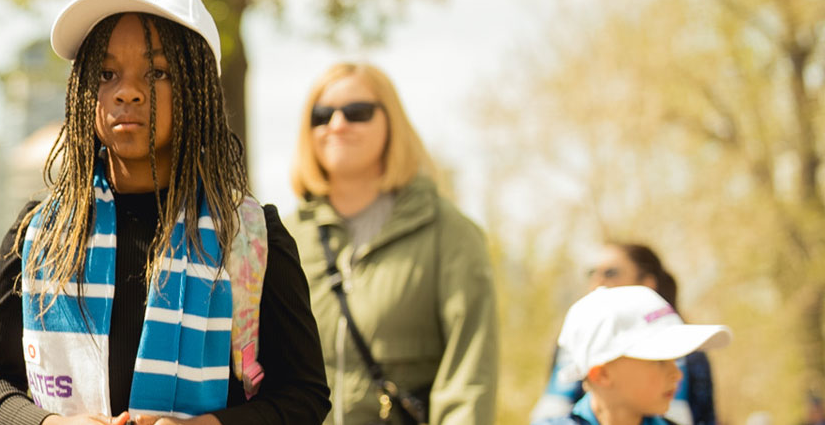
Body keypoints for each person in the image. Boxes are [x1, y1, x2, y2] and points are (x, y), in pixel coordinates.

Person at [0, 0, 331, 424]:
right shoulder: (39, 233)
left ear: (197, 90)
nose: (127, 91)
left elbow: (304, 397)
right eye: (106, 73)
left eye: (157, 73)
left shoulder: (250, 234)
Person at [284, 62, 500, 423]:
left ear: (392, 123)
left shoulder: (449, 233)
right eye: (321, 116)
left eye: (357, 112)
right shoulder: (280, 237)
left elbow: (470, 376)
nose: (337, 125)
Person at [531, 244, 716, 424]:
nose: (677, 374)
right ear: (601, 374)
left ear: (649, 283)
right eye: (658, 361)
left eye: (611, 273)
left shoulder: (695, 360)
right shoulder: (571, 351)